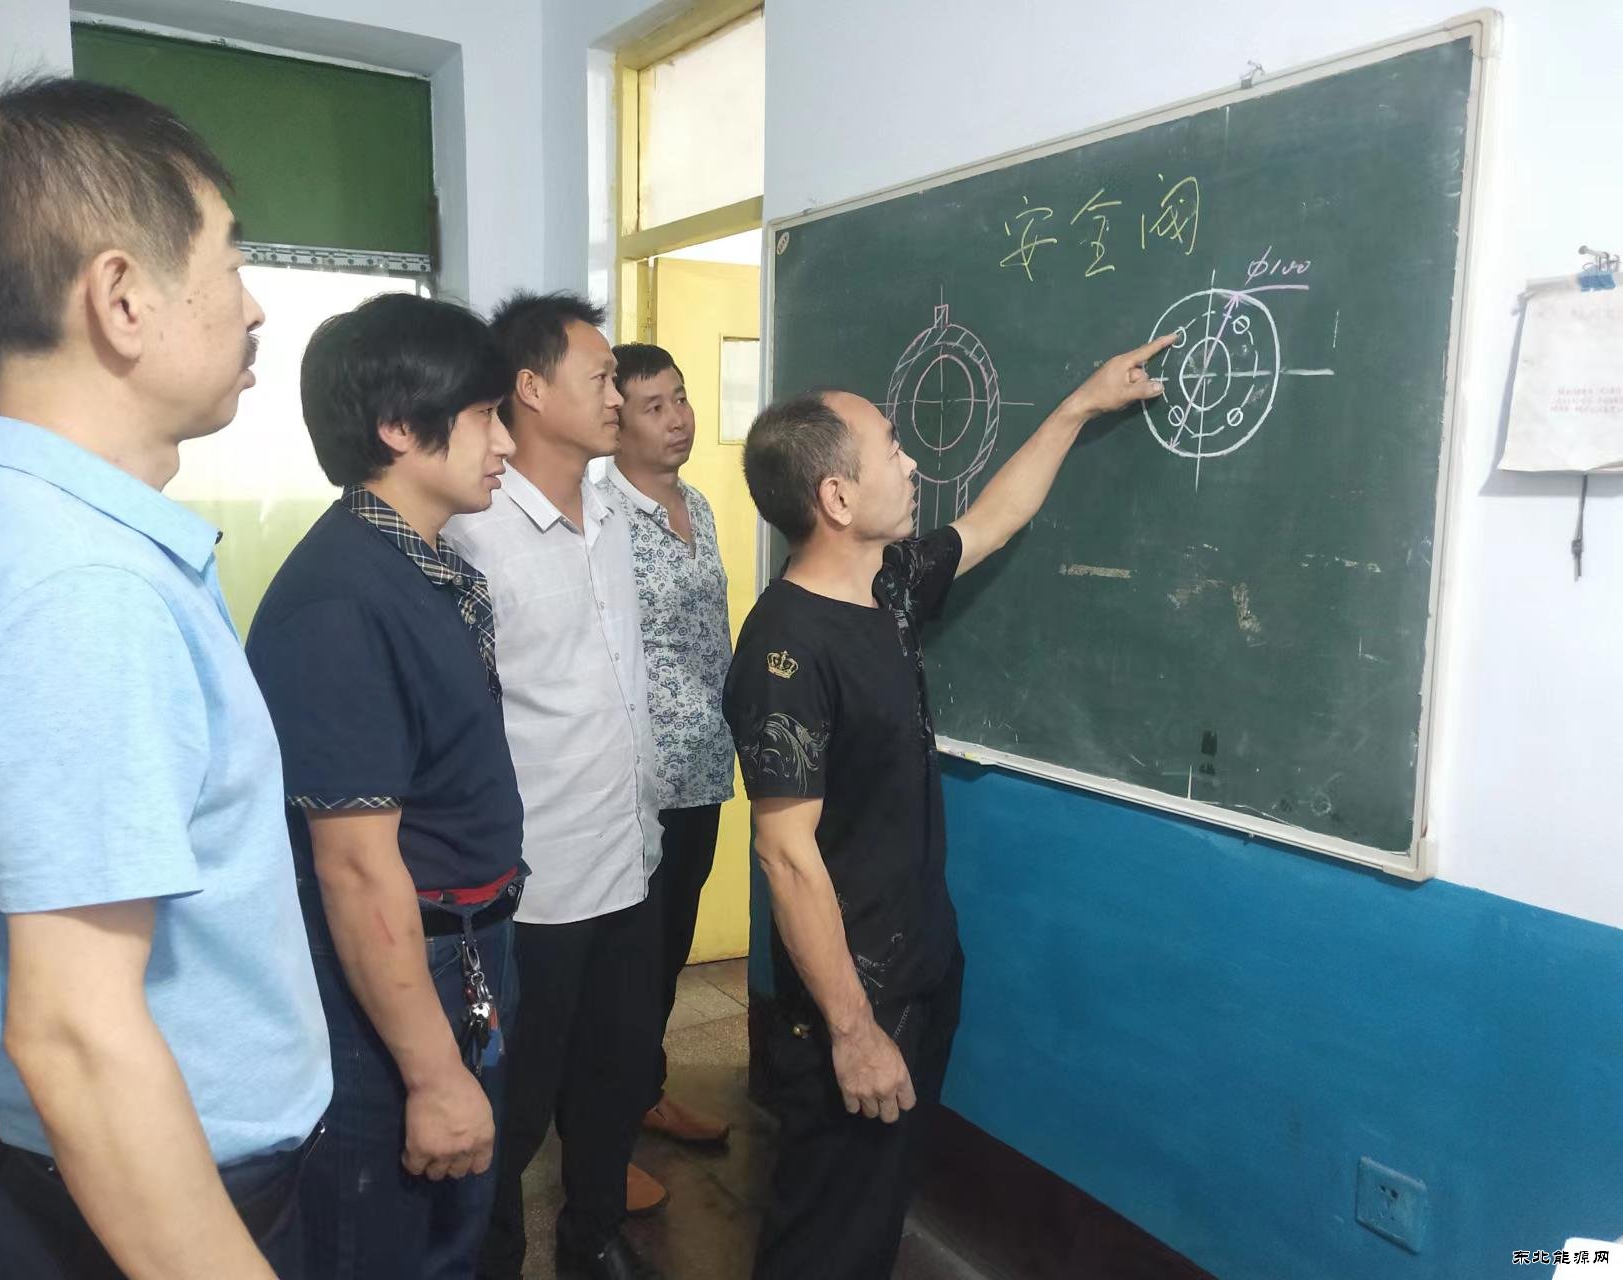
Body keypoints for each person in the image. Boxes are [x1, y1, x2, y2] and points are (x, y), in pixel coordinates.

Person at [0, 77, 331, 1279]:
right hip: (154, 1209)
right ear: (122, 297)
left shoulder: (32, 536)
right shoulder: (80, 589)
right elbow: (79, 1034)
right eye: (230, 262)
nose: (253, 305)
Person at [724, 334, 1175, 1280]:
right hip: (853, 999)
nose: (912, 463)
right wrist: (854, 1032)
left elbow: (992, 521)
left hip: (921, 965)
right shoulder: (785, 652)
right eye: (892, 449)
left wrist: (1080, 405)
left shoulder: (885, 588)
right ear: (835, 497)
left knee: (874, 1212)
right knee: (824, 1235)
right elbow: (785, 857)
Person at [244, 293, 524, 1279]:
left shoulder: (419, 565)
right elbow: (356, 868)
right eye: (485, 415)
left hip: (464, 950)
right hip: (399, 978)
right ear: (401, 427)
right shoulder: (340, 599)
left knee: (452, 1233)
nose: (505, 440)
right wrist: (433, 1072)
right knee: (390, 1247)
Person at [446, 293, 666, 1280]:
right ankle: (491, 1258)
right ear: (530, 389)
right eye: (602, 378)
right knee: (516, 1100)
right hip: (533, 885)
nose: (617, 397)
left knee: (614, 1077)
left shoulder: (613, 511)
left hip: (628, 853)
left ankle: (594, 1235)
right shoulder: (474, 531)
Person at [602, 344, 734, 1149]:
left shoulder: (699, 506)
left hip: (704, 769)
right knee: (626, 963)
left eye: (680, 398)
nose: (678, 418)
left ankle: (642, 1093)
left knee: (670, 950)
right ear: (615, 422)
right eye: (654, 406)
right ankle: (602, 1134)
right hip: (637, 782)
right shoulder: (602, 518)